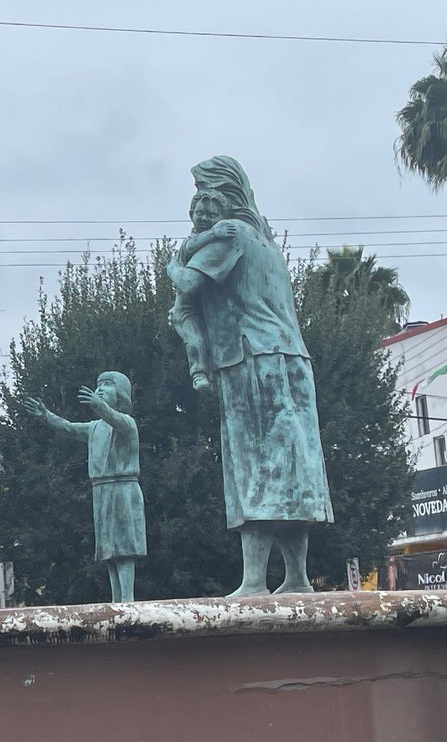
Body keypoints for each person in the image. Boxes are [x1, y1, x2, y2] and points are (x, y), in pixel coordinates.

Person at [166, 155, 333, 597]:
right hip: (290, 359)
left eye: (206, 193)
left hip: (251, 358)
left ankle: (255, 581)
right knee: (292, 469)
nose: (201, 203)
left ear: (225, 195)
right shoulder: (263, 240)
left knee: (255, 467)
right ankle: (296, 578)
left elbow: (185, 284)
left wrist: (172, 260)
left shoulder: (231, 235)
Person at [23, 372, 147, 602]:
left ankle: (128, 598)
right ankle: (117, 598)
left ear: (121, 394)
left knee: (125, 547)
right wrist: (46, 415)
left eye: (107, 385)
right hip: (101, 489)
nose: (99, 389)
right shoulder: (94, 428)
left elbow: (116, 420)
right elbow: (69, 428)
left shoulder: (127, 423)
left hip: (123, 488)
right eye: (98, 384)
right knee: (109, 550)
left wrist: (100, 406)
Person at [168, 188, 241, 391]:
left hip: (205, 309)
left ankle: (212, 375)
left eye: (212, 215)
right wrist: (214, 234)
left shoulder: (218, 244)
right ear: (191, 214)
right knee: (196, 341)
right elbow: (191, 249)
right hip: (186, 309)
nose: (204, 218)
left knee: (210, 343)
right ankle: (198, 373)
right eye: (200, 213)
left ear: (222, 217)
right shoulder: (192, 240)